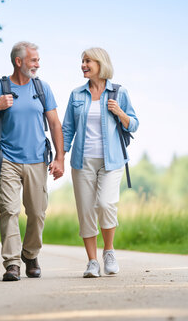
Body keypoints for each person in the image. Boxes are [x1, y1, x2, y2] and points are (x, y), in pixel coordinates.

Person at [0, 41, 64, 281]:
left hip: (37, 159)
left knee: (37, 213)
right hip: (8, 160)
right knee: (9, 210)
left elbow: (55, 124)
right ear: (19, 61)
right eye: (34, 60)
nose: (38, 64)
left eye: (37, 60)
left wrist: (60, 158)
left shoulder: (42, 88)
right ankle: (12, 264)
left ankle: (30, 254)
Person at [60, 47, 139, 278]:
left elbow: (133, 124)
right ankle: (92, 262)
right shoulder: (76, 95)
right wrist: (60, 158)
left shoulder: (119, 92)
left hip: (111, 161)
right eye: (82, 61)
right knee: (85, 211)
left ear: (100, 63)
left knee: (106, 204)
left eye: (87, 61)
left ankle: (109, 252)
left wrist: (120, 113)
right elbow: (67, 128)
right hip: (82, 161)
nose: (83, 65)